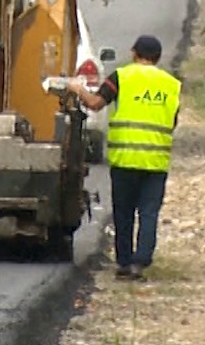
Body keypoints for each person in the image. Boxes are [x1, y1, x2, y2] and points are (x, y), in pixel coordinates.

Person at [70, 34, 183, 281]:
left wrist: (78, 90)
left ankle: (123, 262)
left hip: (125, 159)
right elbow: (172, 121)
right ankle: (140, 262)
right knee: (149, 213)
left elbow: (95, 104)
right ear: (158, 57)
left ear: (134, 53)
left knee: (124, 212)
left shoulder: (121, 77)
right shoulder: (171, 84)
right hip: (155, 162)